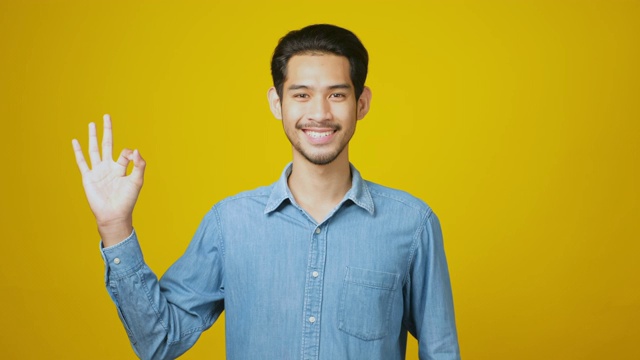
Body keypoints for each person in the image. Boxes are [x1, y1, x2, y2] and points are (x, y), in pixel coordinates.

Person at [72, 24, 460, 360]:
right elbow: (159, 342)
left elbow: (441, 351)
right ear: (277, 103)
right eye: (302, 94)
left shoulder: (412, 224)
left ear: (362, 104)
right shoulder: (230, 224)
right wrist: (115, 226)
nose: (320, 113)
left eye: (337, 95)